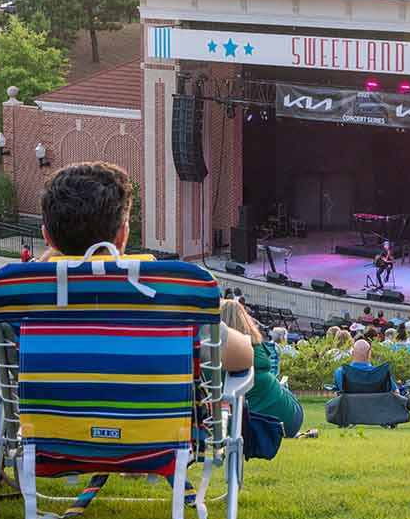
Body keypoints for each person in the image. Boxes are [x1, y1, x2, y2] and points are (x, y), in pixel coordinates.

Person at [40, 161, 255, 373]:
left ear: (47, 237)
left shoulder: (23, 298)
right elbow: (244, 355)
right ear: (123, 234)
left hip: (47, 409)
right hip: (154, 408)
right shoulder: (168, 294)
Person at [220, 299, 305, 440]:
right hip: (288, 421)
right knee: (280, 388)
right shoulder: (258, 348)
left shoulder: (211, 358)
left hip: (242, 425)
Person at [333, 339, 398, 393]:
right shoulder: (380, 373)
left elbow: (338, 394)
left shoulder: (340, 372)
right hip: (377, 408)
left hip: (349, 408)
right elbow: (396, 392)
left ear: (352, 353)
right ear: (369, 354)